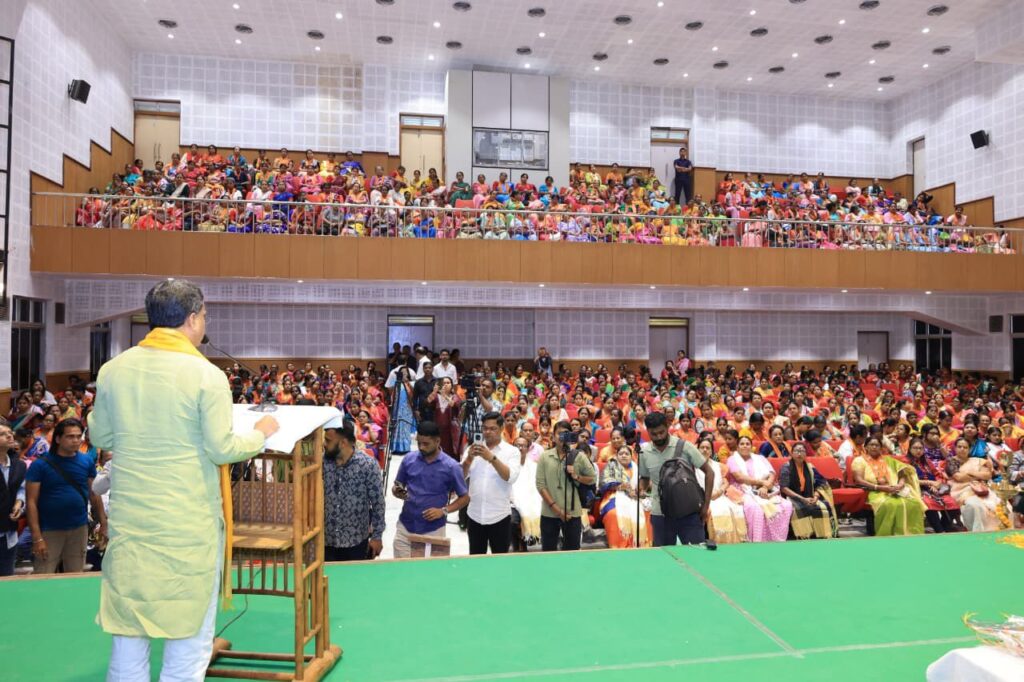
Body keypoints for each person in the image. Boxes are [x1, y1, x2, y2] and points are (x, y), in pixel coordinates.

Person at [88, 279, 279, 681]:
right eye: (204, 315)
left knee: (128, 634)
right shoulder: (205, 375)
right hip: (185, 524)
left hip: (132, 523)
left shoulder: (113, 370)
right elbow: (222, 449)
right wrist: (260, 433)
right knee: (188, 641)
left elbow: (101, 437)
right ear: (192, 318)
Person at [25, 418, 106, 574]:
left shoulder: (86, 461)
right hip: (49, 530)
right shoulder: (40, 465)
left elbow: (94, 494)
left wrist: (103, 522)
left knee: (75, 574)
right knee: (43, 575)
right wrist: (37, 537)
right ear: (57, 439)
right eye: (70, 436)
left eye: (78, 436)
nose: (76, 440)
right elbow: (31, 502)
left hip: (79, 528)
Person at [391, 421, 469, 558]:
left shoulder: (451, 467)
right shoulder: (408, 459)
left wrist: (443, 511)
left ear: (437, 441)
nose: (421, 447)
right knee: (401, 569)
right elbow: (397, 485)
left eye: (426, 444)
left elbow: (465, 498)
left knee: (430, 570)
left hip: (434, 530)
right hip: (405, 527)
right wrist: (397, 491)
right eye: (419, 443)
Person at [638, 412, 714, 546]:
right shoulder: (644, 452)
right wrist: (640, 489)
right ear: (647, 431)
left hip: (689, 512)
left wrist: (706, 505)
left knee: (697, 553)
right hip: (660, 513)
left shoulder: (685, 446)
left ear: (668, 426)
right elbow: (644, 478)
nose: (659, 436)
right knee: (663, 555)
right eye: (654, 434)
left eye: (661, 432)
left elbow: (710, 473)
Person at [322, 419, 385, 561]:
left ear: (343, 443)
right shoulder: (321, 463)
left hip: (355, 542)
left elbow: (378, 503)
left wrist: (377, 536)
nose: (324, 444)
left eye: (328, 441)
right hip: (326, 541)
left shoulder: (367, 465)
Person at [461, 412, 521, 554]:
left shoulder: (512, 452)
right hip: (475, 515)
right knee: (476, 558)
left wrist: (491, 458)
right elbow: (460, 477)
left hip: (499, 516)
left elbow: (510, 477)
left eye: (492, 428)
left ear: (501, 429)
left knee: (499, 561)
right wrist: (469, 459)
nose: (488, 432)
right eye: (485, 428)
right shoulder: (472, 449)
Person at [535, 420, 596, 551]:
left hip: (572, 513)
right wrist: (558, 510)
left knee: (572, 552)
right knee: (548, 551)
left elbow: (592, 479)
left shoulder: (579, 456)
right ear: (553, 436)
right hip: (549, 512)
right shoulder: (545, 456)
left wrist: (577, 476)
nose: (562, 437)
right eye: (559, 434)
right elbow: (540, 485)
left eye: (566, 434)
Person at [850, 435, 926, 536]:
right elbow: (859, 480)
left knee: (914, 503)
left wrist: (900, 485)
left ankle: (913, 534)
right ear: (866, 447)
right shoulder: (859, 460)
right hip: (873, 491)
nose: (874, 447)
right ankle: (888, 534)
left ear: (881, 448)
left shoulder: (888, 459)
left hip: (894, 490)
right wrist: (880, 488)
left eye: (877, 445)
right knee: (891, 504)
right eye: (871, 445)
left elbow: (903, 472)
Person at [727, 434, 793, 542]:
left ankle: (777, 540)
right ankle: (757, 540)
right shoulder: (732, 460)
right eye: (742, 444)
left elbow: (771, 473)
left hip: (764, 489)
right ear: (737, 447)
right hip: (743, 490)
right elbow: (739, 477)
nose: (745, 446)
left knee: (786, 505)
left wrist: (765, 487)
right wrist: (761, 482)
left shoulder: (760, 458)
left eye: (747, 444)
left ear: (751, 447)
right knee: (756, 508)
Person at [779, 441, 837, 539]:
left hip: (809, 495)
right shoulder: (786, 467)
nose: (799, 454)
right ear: (791, 453)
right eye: (796, 451)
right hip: (792, 497)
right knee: (799, 509)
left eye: (802, 451)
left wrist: (816, 497)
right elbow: (784, 488)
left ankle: (822, 535)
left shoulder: (810, 467)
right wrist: (802, 499)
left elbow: (820, 483)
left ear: (806, 454)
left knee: (823, 507)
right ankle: (803, 536)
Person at [696, 438, 746, 545]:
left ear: (711, 452)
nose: (705, 450)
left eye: (708, 448)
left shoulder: (718, 466)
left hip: (719, 496)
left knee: (734, 509)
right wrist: (708, 496)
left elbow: (725, 482)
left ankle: (733, 543)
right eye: (702, 447)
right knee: (716, 511)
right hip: (701, 498)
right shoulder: (693, 466)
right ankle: (718, 542)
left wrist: (719, 492)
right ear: (697, 450)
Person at [947, 437, 1003, 532]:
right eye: (959, 447)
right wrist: (978, 476)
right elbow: (958, 477)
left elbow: (988, 475)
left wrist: (970, 472)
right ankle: (978, 532)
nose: (962, 449)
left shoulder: (977, 461)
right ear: (955, 448)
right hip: (962, 490)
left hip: (981, 488)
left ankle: (997, 531)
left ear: (969, 449)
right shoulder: (951, 461)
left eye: (965, 447)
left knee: (999, 503)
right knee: (975, 506)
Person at [0, 422, 27, 576]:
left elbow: (21, 488)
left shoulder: (19, 465)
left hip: (9, 534)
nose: (10, 436)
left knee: (7, 578)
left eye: (10, 433)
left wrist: (19, 503)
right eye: (3, 434)